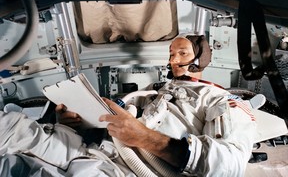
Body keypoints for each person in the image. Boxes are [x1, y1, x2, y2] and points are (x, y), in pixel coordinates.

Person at [55, 35, 257, 176]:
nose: (173, 60)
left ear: (200, 58)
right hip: (102, 154)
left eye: (182, 53)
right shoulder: (155, 89)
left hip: (141, 170)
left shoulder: (219, 98)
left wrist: (145, 138)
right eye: (171, 54)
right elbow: (119, 112)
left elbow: (231, 164)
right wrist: (79, 120)